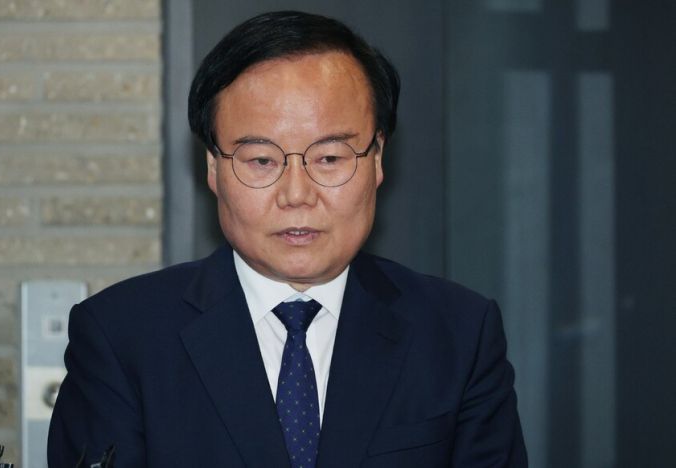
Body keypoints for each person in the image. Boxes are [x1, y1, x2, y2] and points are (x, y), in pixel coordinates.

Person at [48, 10, 527, 467]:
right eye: (261, 161)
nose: (297, 195)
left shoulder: (458, 335)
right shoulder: (122, 338)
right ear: (213, 166)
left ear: (377, 158)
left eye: (330, 158)